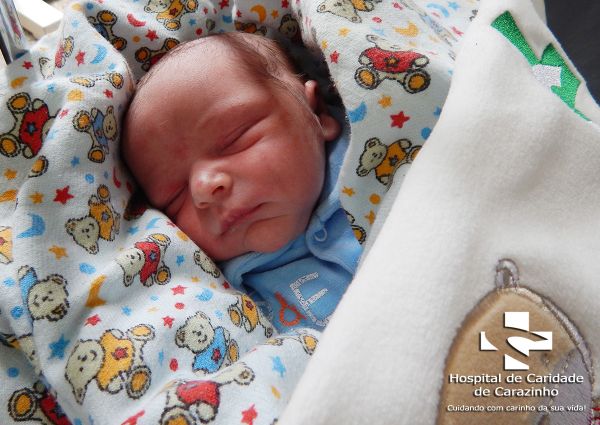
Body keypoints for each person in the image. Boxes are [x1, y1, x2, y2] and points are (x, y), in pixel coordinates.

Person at [122, 31, 363, 331]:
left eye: (235, 139)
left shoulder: (376, 158)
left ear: (316, 112)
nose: (204, 188)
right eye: (174, 196)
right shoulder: (220, 299)